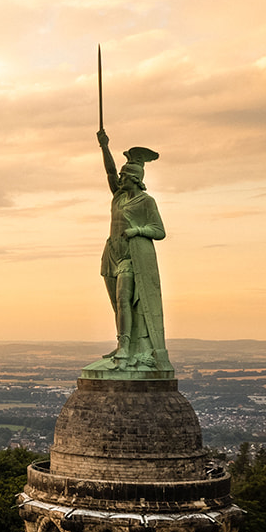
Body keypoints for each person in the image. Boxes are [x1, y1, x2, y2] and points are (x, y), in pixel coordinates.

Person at [93, 128, 170, 371]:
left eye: (124, 176)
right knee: (116, 304)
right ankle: (123, 342)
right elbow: (109, 171)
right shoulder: (118, 197)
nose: (120, 179)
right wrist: (104, 146)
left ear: (135, 179)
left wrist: (137, 231)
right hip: (111, 253)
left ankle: (125, 346)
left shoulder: (146, 202)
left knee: (124, 299)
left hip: (130, 256)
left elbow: (159, 230)